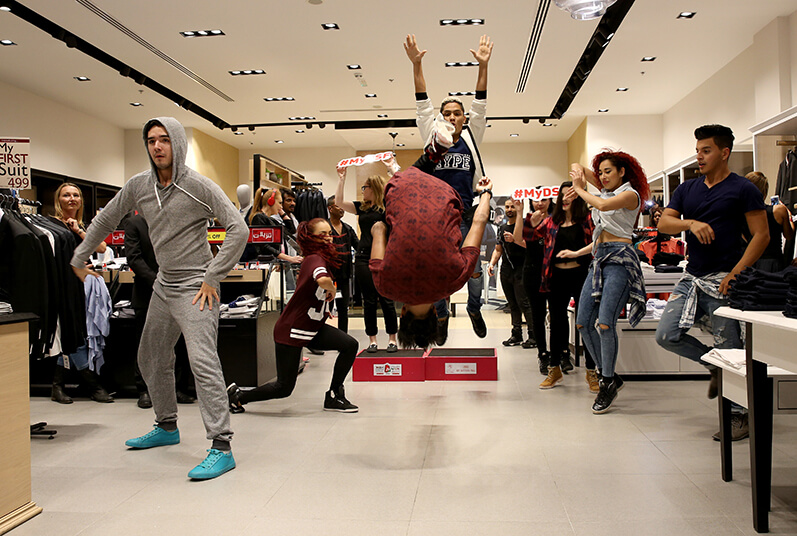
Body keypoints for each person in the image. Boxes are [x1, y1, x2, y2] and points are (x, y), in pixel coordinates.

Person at [70, 117, 248, 480]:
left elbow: (238, 228)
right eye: (151, 140)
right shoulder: (139, 185)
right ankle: (167, 426)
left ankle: (221, 445)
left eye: (164, 140)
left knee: (202, 363)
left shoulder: (199, 185)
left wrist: (214, 275)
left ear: (177, 143)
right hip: (164, 285)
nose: (157, 146)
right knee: (149, 355)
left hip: (198, 286)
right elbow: (105, 219)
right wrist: (78, 255)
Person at [655, 124, 769, 441]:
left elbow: (762, 235)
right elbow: (665, 222)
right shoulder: (688, 189)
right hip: (691, 277)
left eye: (706, 150)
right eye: (697, 150)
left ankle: (737, 416)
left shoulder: (742, 189)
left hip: (724, 281)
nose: (700, 156)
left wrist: (737, 272)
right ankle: (713, 366)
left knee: (730, 348)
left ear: (724, 152)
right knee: (666, 334)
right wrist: (689, 222)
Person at [404, 33, 493, 339]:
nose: (452, 117)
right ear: (441, 118)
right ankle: (441, 316)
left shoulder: (471, 136)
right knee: (438, 268)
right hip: (436, 216)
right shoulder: (432, 134)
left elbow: (480, 104)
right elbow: (422, 104)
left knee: (475, 269)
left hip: (467, 212)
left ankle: (474, 307)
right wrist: (416, 64)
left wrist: (483, 67)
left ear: (463, 118)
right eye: (447, 114)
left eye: (457, 113)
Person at [227, 219, 359, 413]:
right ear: (311, 237)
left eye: (329, 233)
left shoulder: (317, 258)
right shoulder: (315, 258)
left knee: (350, 345)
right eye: (323, 234)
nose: (329, 237)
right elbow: (322, 279)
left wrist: (326, 302)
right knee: (283, 387)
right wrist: (330, 289)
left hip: (309, 328)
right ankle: (238, 397)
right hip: (292, 330)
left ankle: (334, 395)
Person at [369, 158, 494, 349]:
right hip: (401, 185)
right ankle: (404, 165)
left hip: (445, 191)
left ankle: (437, 149)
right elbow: (378, 229)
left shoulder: (455, 282)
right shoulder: (384, 286)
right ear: (402, 313)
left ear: (435, 313)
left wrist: (485, 192)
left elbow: (479, 220)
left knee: (437, 154)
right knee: (421, 163)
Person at [570, 151, 650, 413]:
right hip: (599, 259)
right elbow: (577, 165)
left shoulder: (630, 195)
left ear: (622, 172)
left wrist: (580, 189)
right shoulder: (603, 191)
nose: (603, 176)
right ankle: (610, 376)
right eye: (601, 172)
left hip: (620, 260)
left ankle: (606, 382)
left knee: (605, 323)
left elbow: (603, 207)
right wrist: (581, 175)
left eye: (609, 171)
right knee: (582, 322)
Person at [525, 182, 597, 390]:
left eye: (571, 196)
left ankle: (591, 372)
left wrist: (575, 254)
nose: (565, 199)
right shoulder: (551, 222)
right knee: (556, 322)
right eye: (563, 195)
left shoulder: (587, 220)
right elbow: (530, 236)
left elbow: (598, 241)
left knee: (585, 322)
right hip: (555, 276)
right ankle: (554, 369)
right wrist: (530, 220)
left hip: (581, 275)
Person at [124, 212, 196, 409]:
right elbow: (134, 257)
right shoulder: (135, 223)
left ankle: (179, 387)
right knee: (146, 343)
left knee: (179, 342)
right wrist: (157, 281)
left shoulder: (176, 219)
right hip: (147, 291)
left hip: (178, 290)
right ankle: (144, 389)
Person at [51, 182, 114, 404]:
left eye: (76, 195)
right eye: (66, 195)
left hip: (83, 284)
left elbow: (102, 248)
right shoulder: (51, 224)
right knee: (72, 333)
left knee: (79, 334)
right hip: (63, 284)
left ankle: (58, 386)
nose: (72, 199)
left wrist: (77, 229)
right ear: (59, 199)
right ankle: (93, 385)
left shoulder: (82, 225)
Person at [335, 167, 399, 352]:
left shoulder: (387, 207)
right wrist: (342, 178)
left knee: (386, 299)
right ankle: (372, 340)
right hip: (363, 257)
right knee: (368, 300)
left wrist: (393, 171)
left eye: (365, 187)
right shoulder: (361, 208)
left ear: (374, 188)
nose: (363, 191)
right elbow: (339, 202)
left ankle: (392, 339)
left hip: (385, 257)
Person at [513, 193, 554, 375]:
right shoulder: (528, 219)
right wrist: (521, 212)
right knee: (537, 315)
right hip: (532, 271)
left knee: (557, 315)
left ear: (550, 201)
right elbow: (516, 238)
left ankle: (561, 353)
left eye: (544, 199)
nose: (540, 203)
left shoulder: (557, 219)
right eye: (536, 200)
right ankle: (543, 355)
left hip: (554, 272)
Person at [488, 198, 535, 348]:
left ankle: (533, 336)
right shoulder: (502, 228)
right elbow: (498, 249)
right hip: (506, 270)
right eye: (507, 207)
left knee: (525, 303)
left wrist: (515, 240)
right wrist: (492, 263)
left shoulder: (525, 226)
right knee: (513, 304)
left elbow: (532, 246)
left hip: (522, 269)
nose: (509, 209)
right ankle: (516, 334)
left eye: (512, 207)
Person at [745, 171, 794, 272]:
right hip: (773, 263)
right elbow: (789, 235)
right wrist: (790, 217)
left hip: (749, 262)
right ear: (764, 191)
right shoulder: (779, 211)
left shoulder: (742, 215)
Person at [327, 195, 358, 333]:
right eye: (338, 206)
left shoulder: (348, 229)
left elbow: (359, 246)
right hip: (328, 276)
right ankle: (322, 337)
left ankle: (343, 336)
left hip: (344, 275)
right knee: (325, 308)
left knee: (343, 308)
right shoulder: (324, 228)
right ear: (330, 208)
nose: (342, 209)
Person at [249, 187, 304, 264]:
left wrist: (282, 213)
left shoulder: (272, 220)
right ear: (271, 202)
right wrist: (288, 258)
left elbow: (291, 230)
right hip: (266, 264)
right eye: (280, 203)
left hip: (274, 263)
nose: (281, 206)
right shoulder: (259, 218)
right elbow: (264, 246)